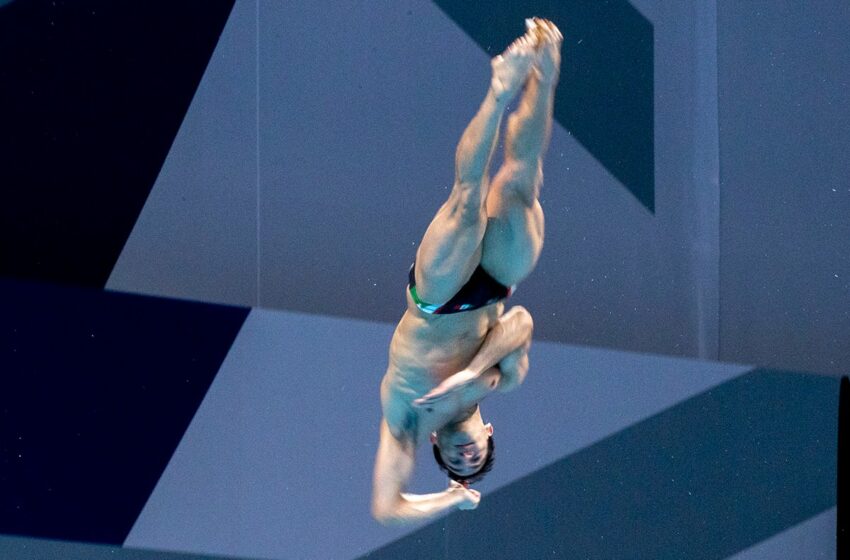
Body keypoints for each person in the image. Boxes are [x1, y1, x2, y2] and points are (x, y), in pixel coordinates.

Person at [371, 18, 562, 526]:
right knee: (522, 181)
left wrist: (451, 497)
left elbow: (386, 509)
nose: (465, 460)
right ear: (489, 433)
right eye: (475, 459)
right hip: (493, 289)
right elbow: (520, 322)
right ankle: (545, 69)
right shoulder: (504, 381)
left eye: (455, 463)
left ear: (437, 443)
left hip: (436, 300)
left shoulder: (410, 421)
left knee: (466, 200)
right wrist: (477, 371)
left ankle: (500, 90)